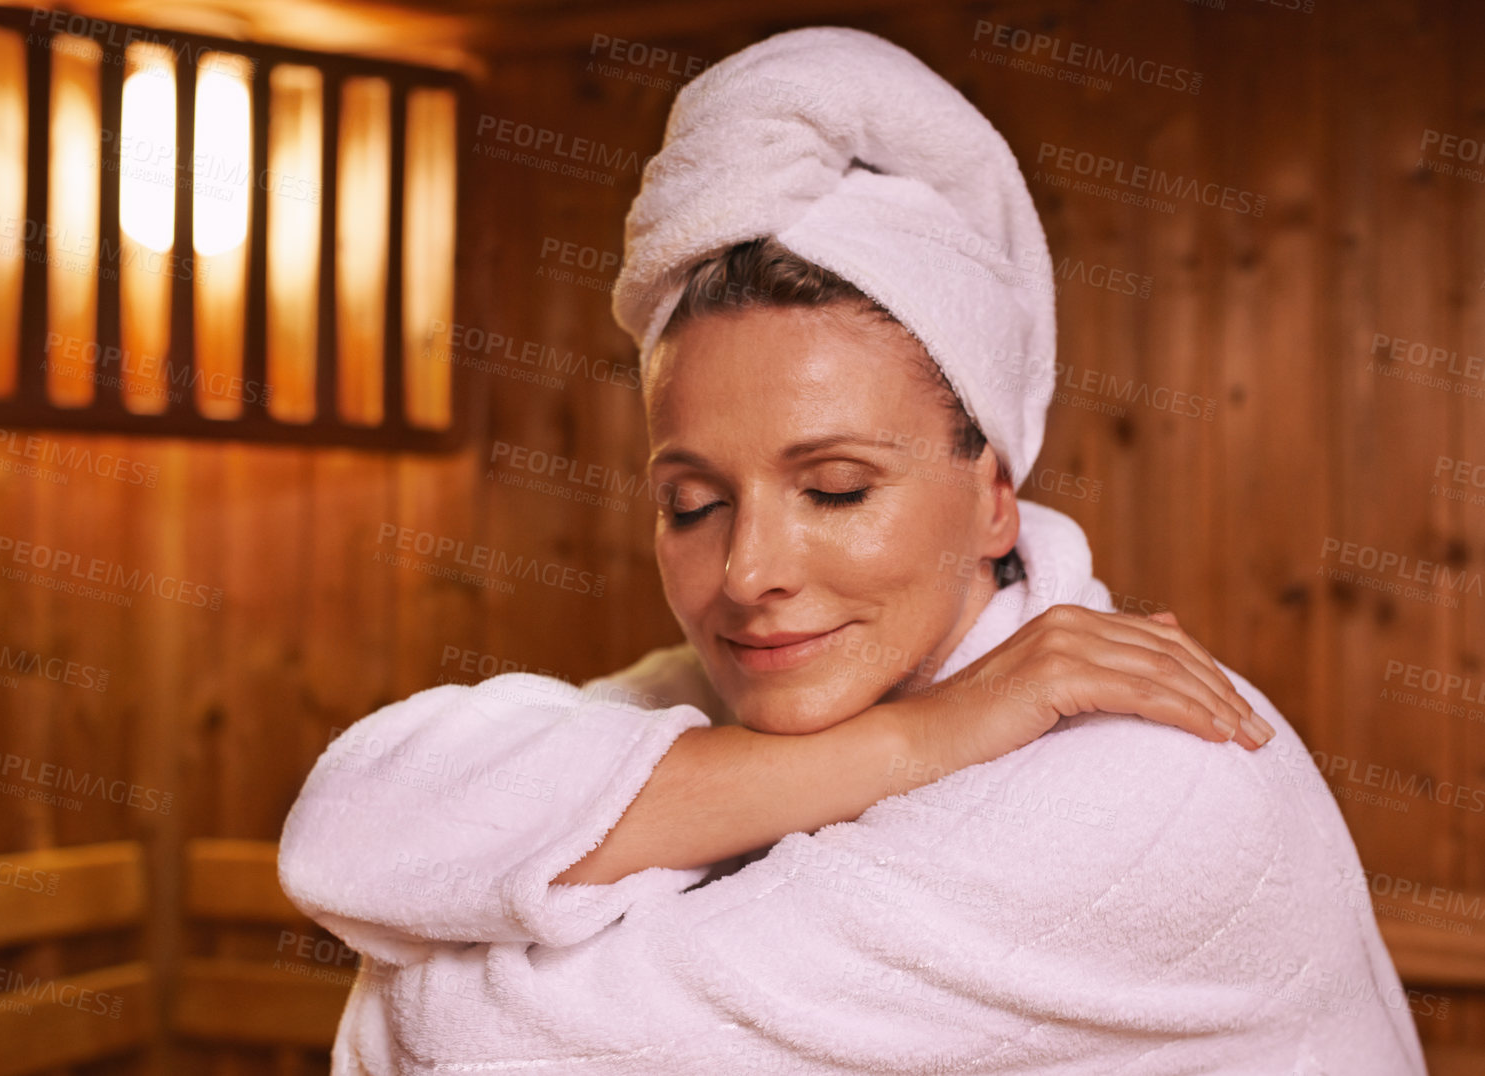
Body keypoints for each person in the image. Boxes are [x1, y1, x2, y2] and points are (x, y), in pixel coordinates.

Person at [279, 26, 1424, 1076]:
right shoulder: (793, 691)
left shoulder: (1157, 780)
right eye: (691, 503)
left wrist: (413, 955)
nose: (746, 572)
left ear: (993, 497)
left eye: (834, 487)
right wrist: (921, 734)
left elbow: (480, 1045)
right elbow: (352, 827)